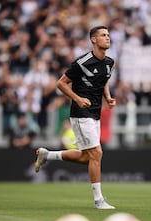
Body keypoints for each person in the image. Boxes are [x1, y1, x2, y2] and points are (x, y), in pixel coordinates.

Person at [34, 26, 116, 209]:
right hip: (81, 113)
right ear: (93, 40)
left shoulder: (110, 62)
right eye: (103, 35)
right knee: (97, 153)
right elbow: (61, 83)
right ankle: (98, 201)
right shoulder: (82, 62)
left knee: (88, 157)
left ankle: (48, 155)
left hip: (95, 113)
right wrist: (78, 99)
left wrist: (108, 98)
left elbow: (104, 81)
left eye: (108, 35)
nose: (107, 38)